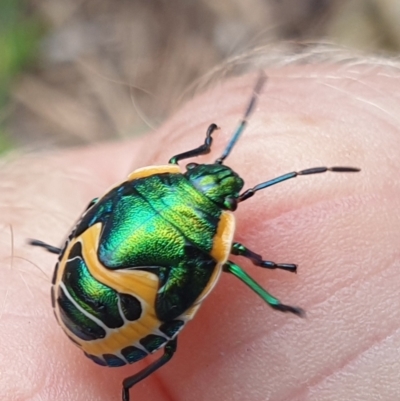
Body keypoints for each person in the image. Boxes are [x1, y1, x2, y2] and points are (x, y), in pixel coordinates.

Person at [1, 54, 399, 400]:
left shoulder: (149, 192)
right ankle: (127, 385)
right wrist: (268, 278)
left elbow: (97, 206)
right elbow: (235, 261)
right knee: (185, 330)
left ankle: (65, 262)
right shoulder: (211, 246)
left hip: (83, 298)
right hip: (106, 323)